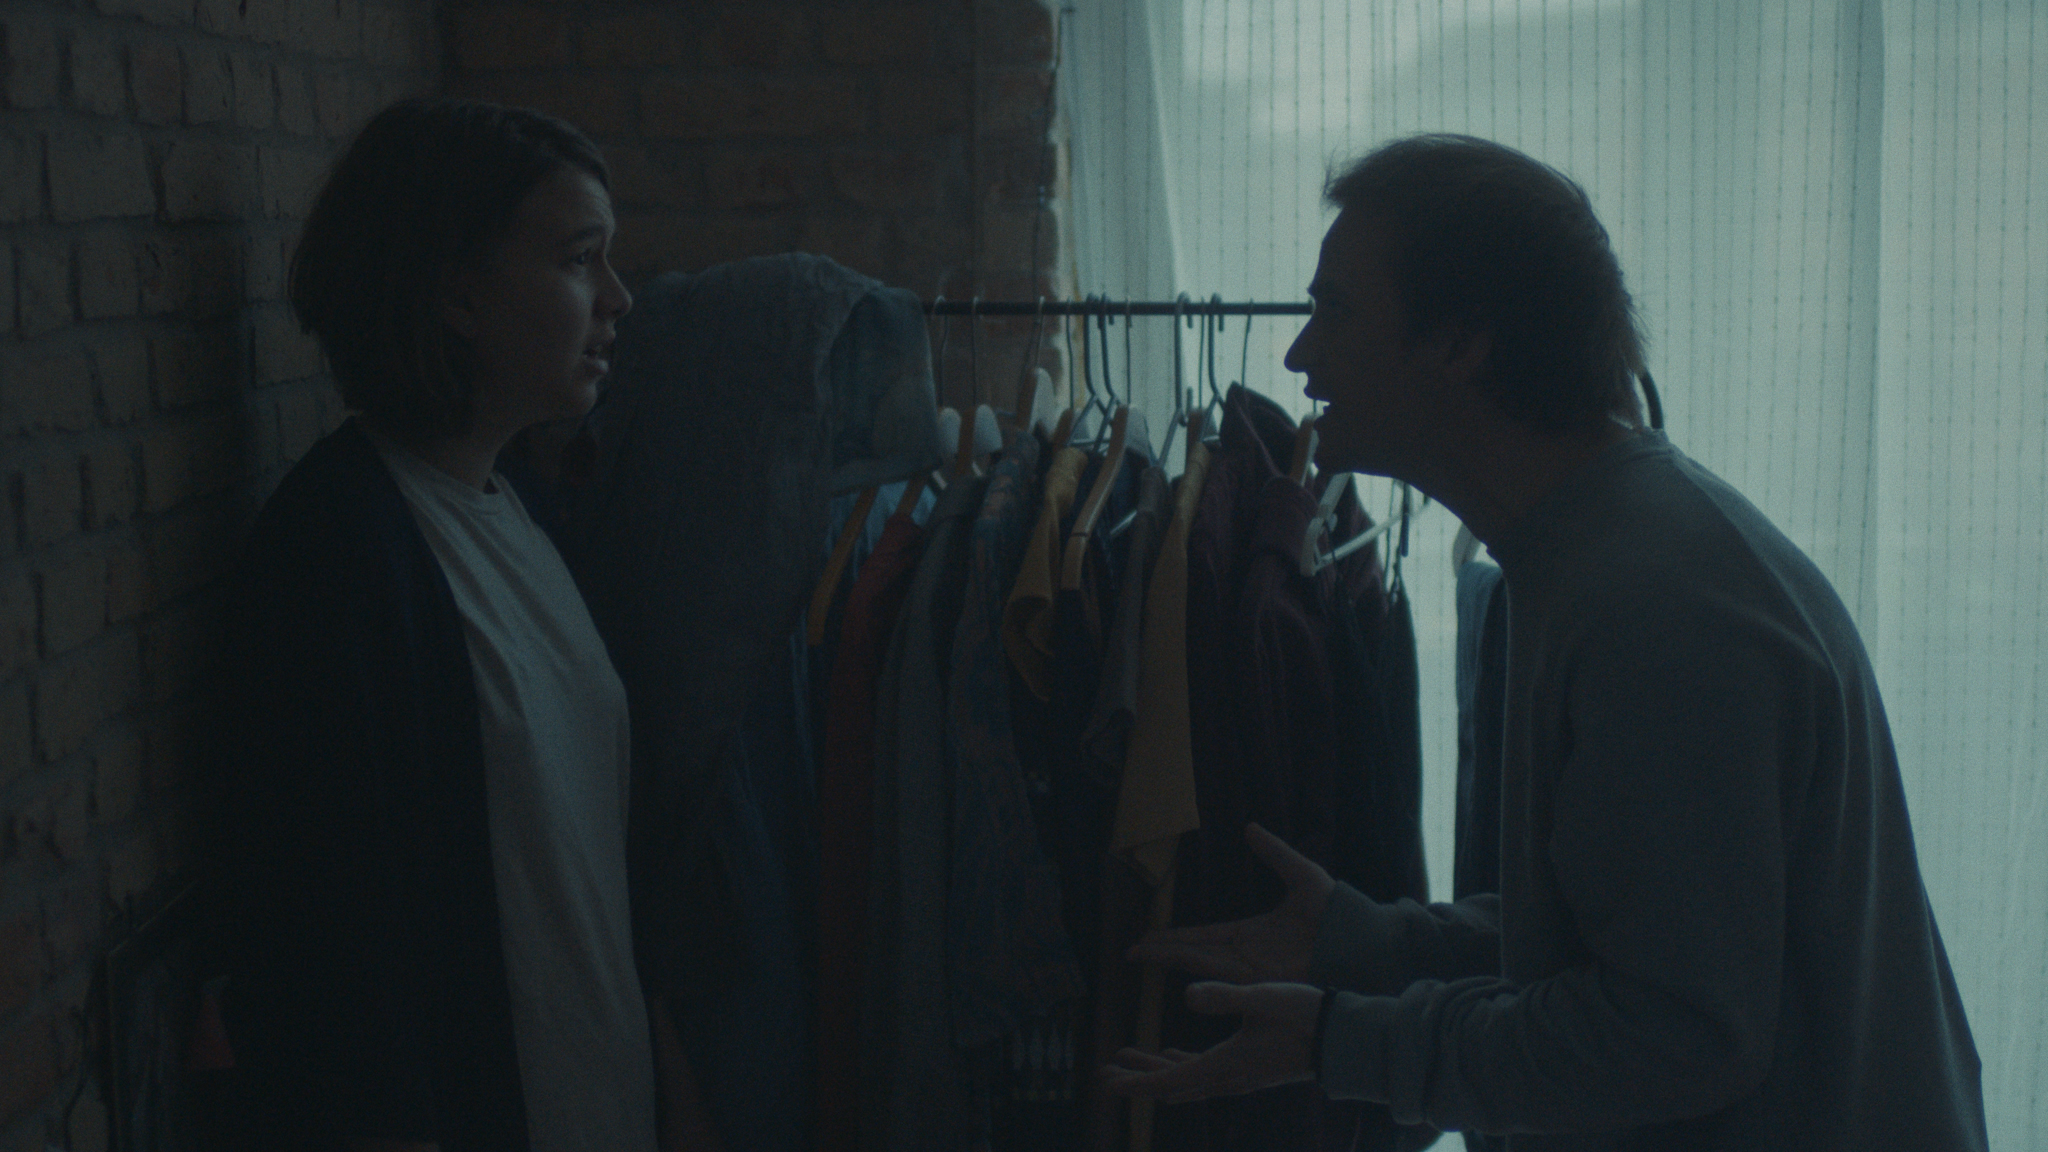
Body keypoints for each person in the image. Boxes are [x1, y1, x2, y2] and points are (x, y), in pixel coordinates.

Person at [1102, 134, 1988, 1151]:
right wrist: (1373, 944)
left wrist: (1348, 1041)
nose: (1299, 356)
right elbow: (1638, 936)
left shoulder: (1653, 610)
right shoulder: (1600, 552)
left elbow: (1676, 1033)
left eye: (1334, 311)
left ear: (1461, 342)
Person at [210, 97, 683, 1151]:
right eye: (579, 260)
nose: (617, 298)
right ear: (457, 293)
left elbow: (589, 860)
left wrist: (669, 1084)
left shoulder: (522, 510)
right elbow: (336, 947)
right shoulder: (339, 555)